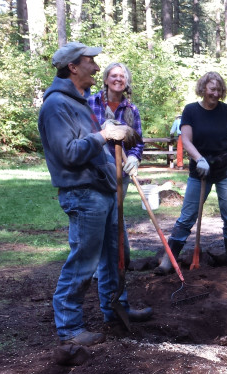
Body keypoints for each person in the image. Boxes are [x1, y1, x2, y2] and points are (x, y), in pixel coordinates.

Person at [38, 42, 153, 347]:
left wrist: (123, 148)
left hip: (103, 189)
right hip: (83, 192)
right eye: (90, 61)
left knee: (114, 256)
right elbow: (69, 153)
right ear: (73, 67)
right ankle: (70, 329)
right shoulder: (56, 105)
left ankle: (116, 310)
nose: (96, 67)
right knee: (83, 262)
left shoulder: (78, 102)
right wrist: (103, 135)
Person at [155, 71, 227, 273]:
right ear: (203, 89)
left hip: (226, 169)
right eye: (212, 89)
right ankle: (170, 259)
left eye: (219, 90)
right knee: (187, 216)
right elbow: (186, 139)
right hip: (200, 171)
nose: (215, 93)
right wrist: (199, 159)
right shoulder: (191, 110)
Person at [88, 62, 144, 270]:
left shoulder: (131, 110)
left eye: (122, 76)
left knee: (116, 216)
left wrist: (134, 158)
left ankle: (119, 262)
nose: (118, 79)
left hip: (120, 172)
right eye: (114, 75)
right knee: (99, 216)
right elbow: (82, 135)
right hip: (95, 171)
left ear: (126, 81)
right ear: (105, 79)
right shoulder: (91, 103)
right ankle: (101, 265)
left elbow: (137, 142)